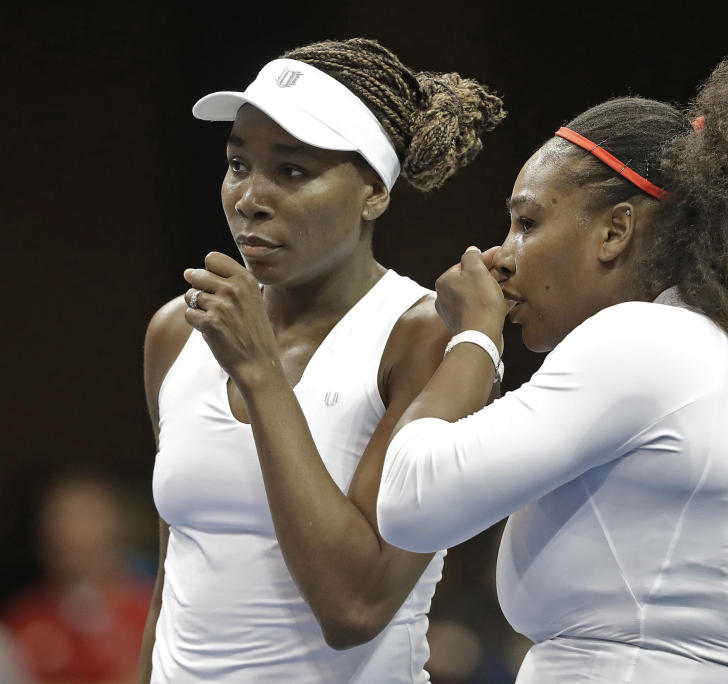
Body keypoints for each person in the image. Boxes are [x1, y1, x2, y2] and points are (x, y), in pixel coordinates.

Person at [377, 58, 728, 683]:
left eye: (527, 222)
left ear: (615, 230)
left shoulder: (644, 340)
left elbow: (411, 503)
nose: (501, 255)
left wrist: (474, 335)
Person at [139, 38, 504, 682]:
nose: (250, 196)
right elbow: (174, 575)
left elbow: (353, 605)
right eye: (236, 164)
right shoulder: (177, 330)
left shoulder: (424, 339)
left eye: (292, 171)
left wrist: (259, 373)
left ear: (373, 193)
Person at [2, 474, 153, 684]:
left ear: (116, 534)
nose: (76, 531)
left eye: (90, 518)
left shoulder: (156, 616)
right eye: (62, 519)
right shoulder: (20, 624)